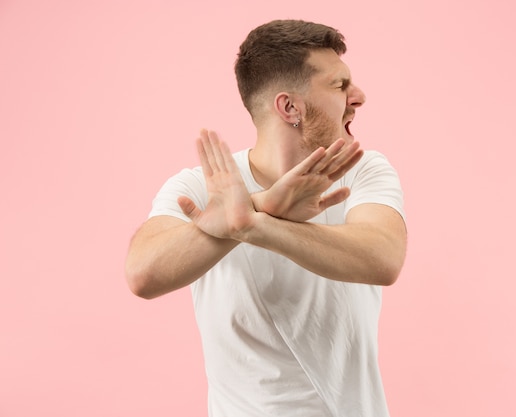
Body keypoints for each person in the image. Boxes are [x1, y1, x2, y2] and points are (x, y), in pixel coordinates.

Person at [125, 19, 407, 417]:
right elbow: (143, 273)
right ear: (289, 106)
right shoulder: (205, 185)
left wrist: (255, 222)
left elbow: (382, 258)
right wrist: (260, 205)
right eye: (340, 85)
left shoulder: (364, 169)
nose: (358, 96)